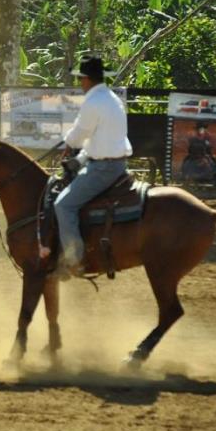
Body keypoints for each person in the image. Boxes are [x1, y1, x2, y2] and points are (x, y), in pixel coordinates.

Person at [53, 55, 133, 278]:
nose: (80, 83)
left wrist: (68, 143)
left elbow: (79, 134)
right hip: (114, 163)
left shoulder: (93, 102)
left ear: (87, 79)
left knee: (63, 205)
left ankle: (74, 259)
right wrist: (79, 160)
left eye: (80, 79)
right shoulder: (111, 98)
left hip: (103, 169)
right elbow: (98, 141)